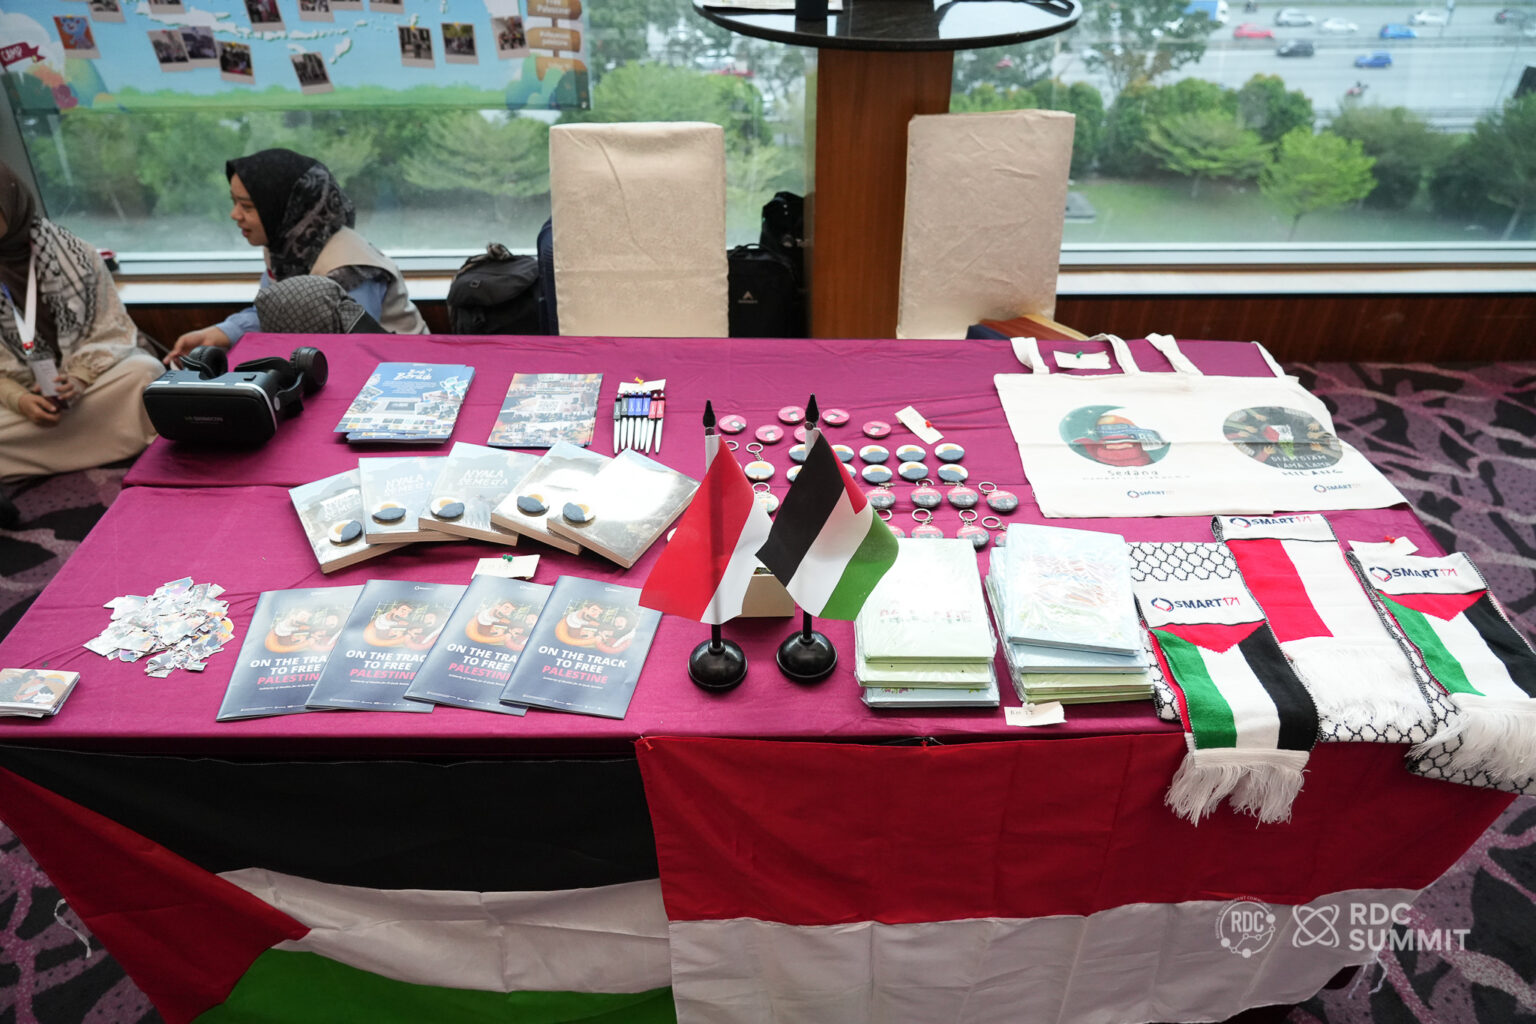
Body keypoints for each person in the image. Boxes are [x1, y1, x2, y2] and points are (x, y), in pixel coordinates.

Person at [165, 148, 426, 366]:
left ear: (286, 207)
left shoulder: (349, 268)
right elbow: (276, 310)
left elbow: (356, 349)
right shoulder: (285, 248)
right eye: (234, 202)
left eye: (247, 206)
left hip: (403, 369)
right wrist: (221, 332)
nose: (234, 214)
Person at [0, 162, 163, 481]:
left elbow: (112, 329)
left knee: (145, 373)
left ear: (11, 204)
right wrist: (18, 399)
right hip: (18, 394)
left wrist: (78, 378)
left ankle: (41, 455)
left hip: (88, 387)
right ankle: (105, 442)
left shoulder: (76, 254)